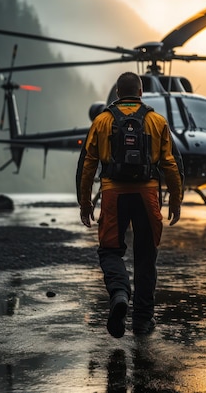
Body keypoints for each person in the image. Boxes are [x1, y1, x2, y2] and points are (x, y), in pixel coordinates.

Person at [76, 72, 184, 338]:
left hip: (113, 194)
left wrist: (85, 202)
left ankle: (120, 293)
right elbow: (171, 164)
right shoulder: (157, 121)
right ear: (141, 93)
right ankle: (142, 322)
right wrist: (176, 200)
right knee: (146, 257)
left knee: (110, 251)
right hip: (147, 197)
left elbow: (88, 164)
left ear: (116, 94)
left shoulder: (101, 121)